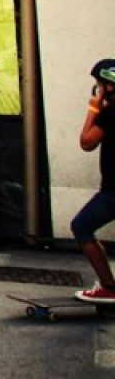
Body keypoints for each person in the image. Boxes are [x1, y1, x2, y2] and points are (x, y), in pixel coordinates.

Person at [69, 59, 115, 304]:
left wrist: (93, 110)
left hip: (113, 190)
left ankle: (109, 286)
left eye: (99, 84)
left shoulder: (110, 114)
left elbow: (87, 142)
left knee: (82, 226)